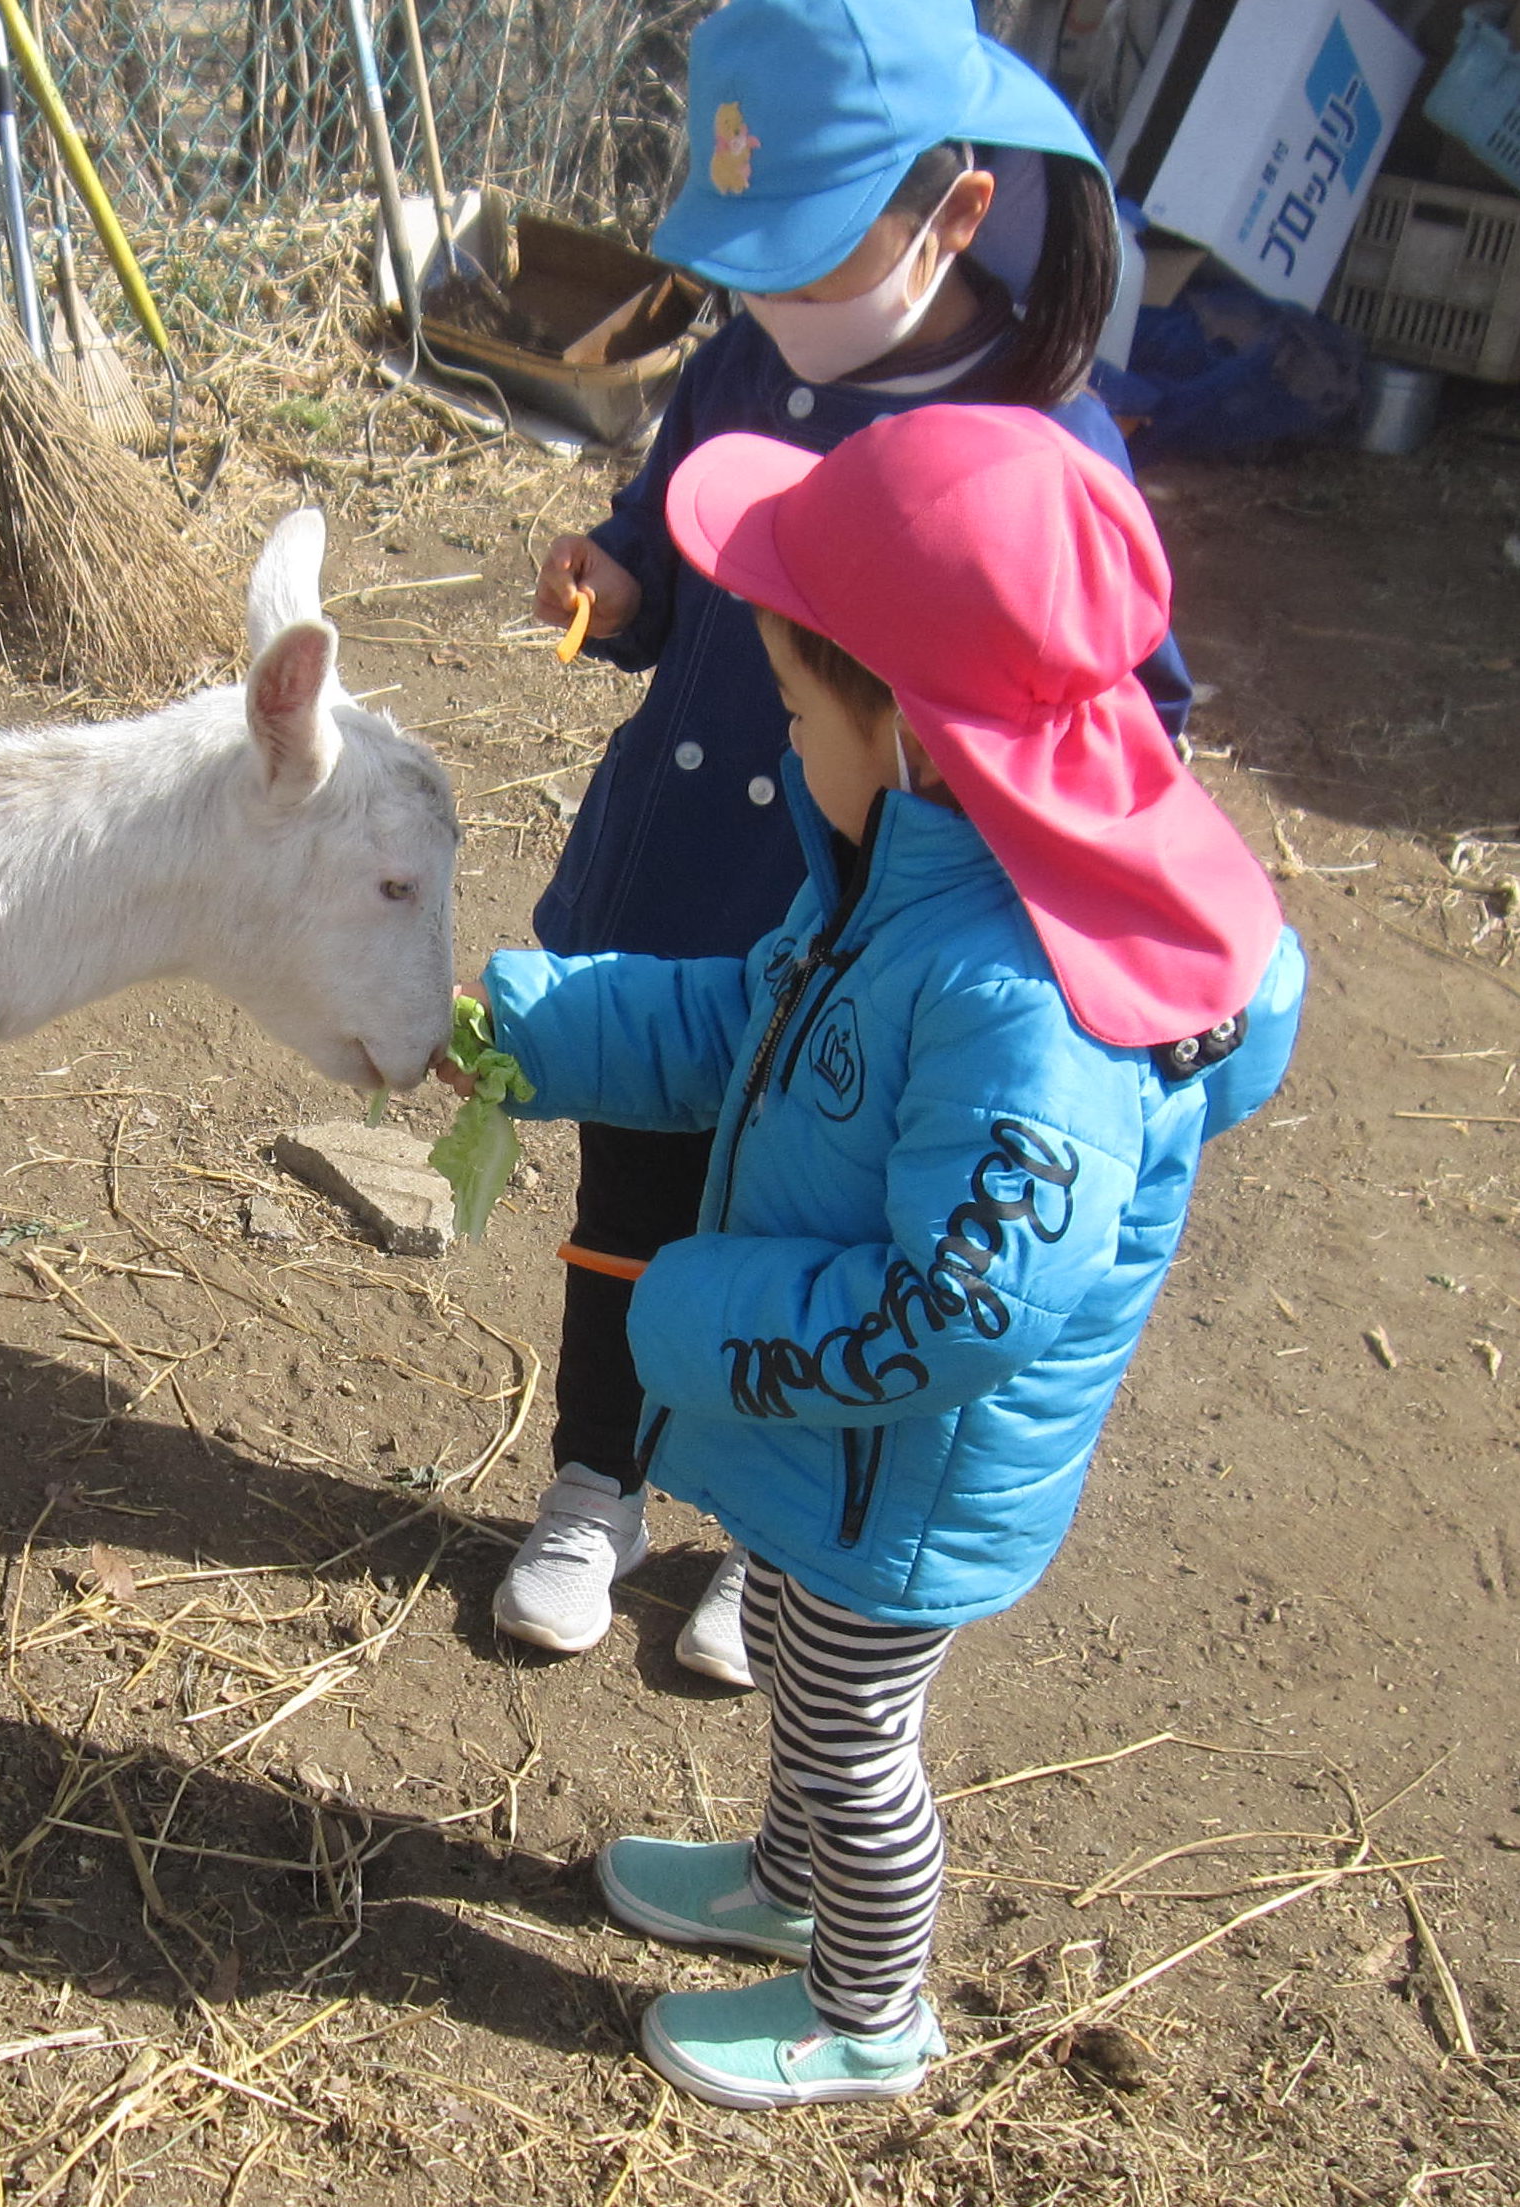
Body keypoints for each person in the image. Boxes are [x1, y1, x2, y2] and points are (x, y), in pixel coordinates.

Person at [452, 404, 1303, 2107]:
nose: (776, 733)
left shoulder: (1021, 1005)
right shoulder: (893, 867)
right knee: (810, 1695)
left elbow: (965, 1297)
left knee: (854, 1736)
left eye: (787, 704)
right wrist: (551, 1026)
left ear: (905, 726)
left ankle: (870, 2006)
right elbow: (739, 1021)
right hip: (849, 1452)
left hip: (904, 1477)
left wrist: (693, 1314)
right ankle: (782, 1892)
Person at [499, 0, 1195, 1686]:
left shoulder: (1048, 439)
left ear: (952, 210)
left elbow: (1131, 713)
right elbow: (675, 514)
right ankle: (601, 1477)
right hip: (682, 883)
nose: (766, 295)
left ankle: (774, 1539)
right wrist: (627, 581)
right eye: (746, 260)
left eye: (805, 254)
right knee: (633, 1198)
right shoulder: (758, 347)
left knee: (815, 1241)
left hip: (858, 948)